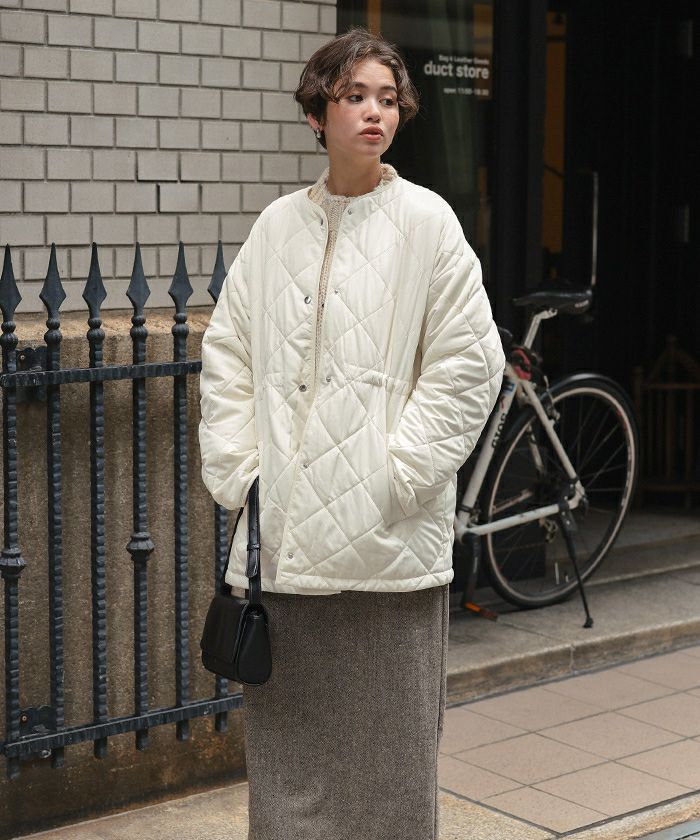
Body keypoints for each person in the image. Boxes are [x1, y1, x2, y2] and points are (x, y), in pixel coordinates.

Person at [198, 25, 505, 840]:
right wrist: (243, 471)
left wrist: (397, 475)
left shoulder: (428, 223)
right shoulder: (276, 228)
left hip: (387, 550)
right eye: (355, 96)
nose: (376, 112)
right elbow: (227, 354)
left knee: (390, 772)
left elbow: (470, 365)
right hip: (286, 547)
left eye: (388, 99)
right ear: (316, 114)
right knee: (290, 771)